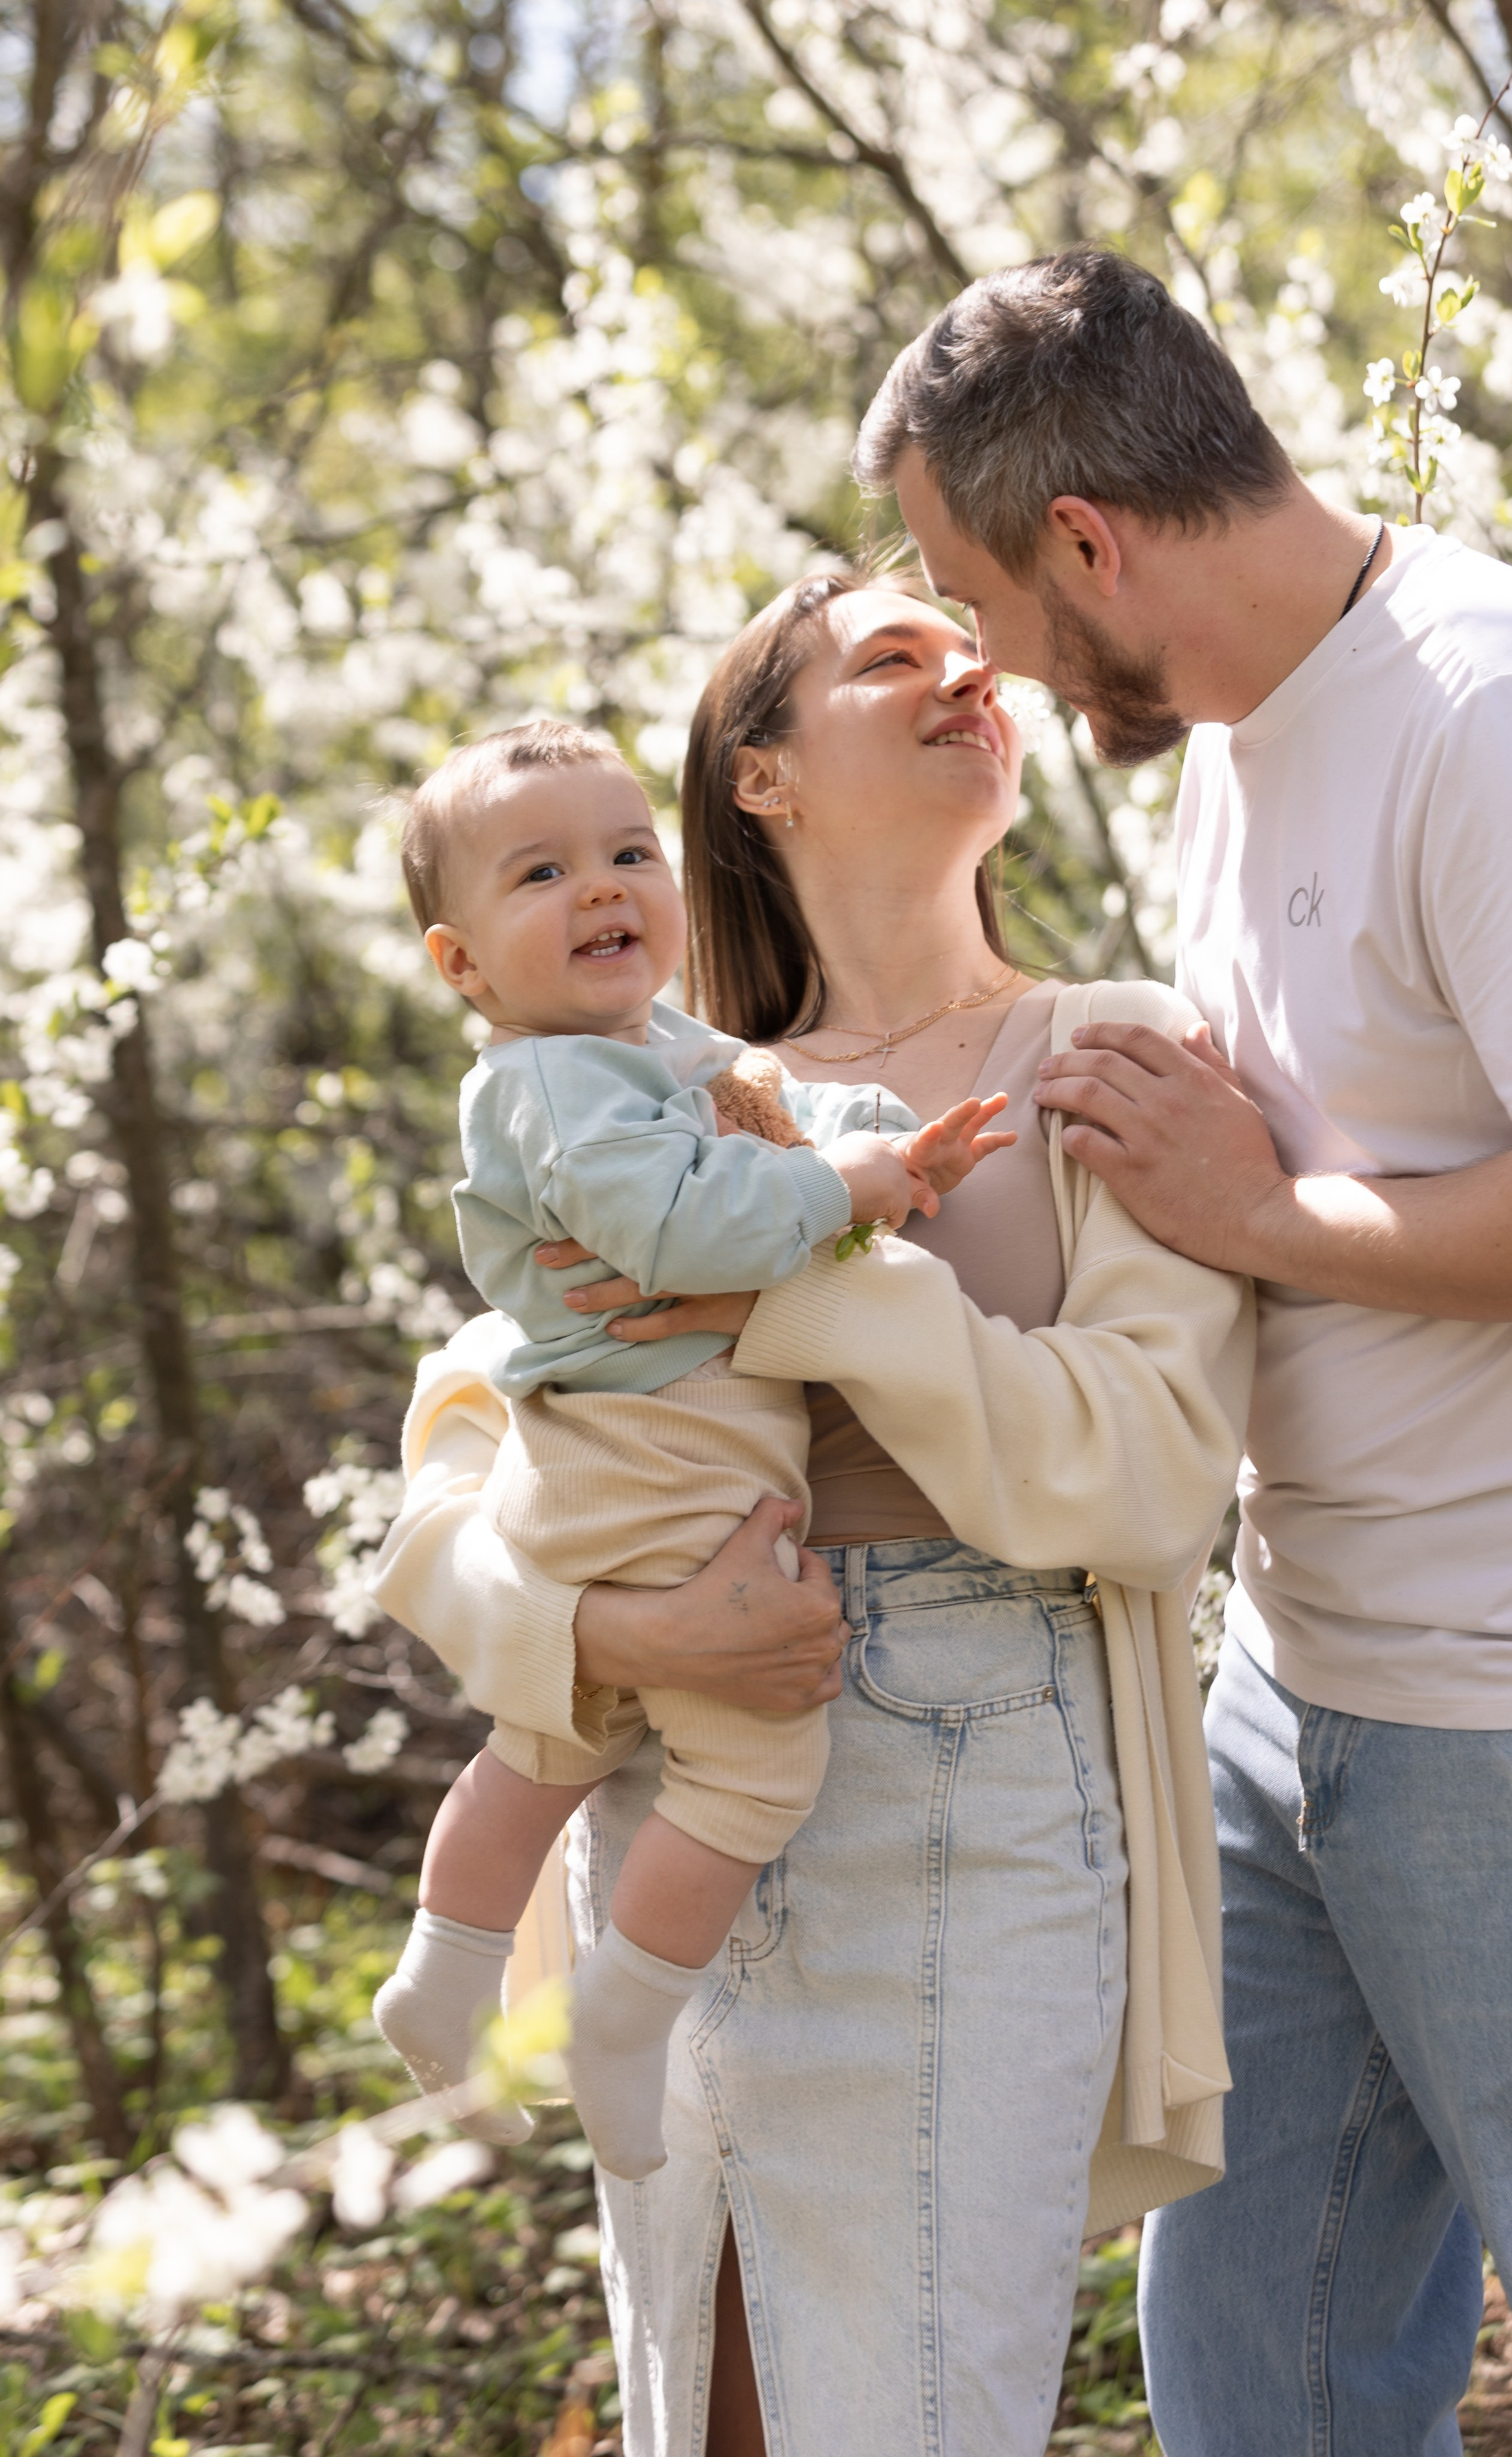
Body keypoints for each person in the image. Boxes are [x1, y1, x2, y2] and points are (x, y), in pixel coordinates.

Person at [858, 243, 1512, 2454]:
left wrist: (1253, 1212)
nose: (981, 654)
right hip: (1297, 1697)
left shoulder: (1501, 705)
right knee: (1253, 2374)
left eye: (974, 589)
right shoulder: (1237, 743)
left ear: (1089, 541)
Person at [369, 569, 1253, 2455]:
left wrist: (807, 1270)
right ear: (759, 775)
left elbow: (1157, 1473)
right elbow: (456, 1464)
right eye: (892, 657)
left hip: (977, 1775)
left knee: (920, 2405)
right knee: (714, 2397)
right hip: (667, 1775)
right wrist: (604, 1634)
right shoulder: (632, 1076)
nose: (967, 673)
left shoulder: (1107, 1046)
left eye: (974, 651)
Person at [371, 715, 1011, 2175]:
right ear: (461, 964)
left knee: (549, 1742)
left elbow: (776, 1110)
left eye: (624, 852)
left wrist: (882, 1141)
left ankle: (439, 1973)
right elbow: (675, 1226)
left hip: (629, 1451)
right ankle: (619, 2013)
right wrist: (845, 1186)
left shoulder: (652, 1045)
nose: (600, 887)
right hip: (660, 1448)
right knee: (752, 1773)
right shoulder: (545, 1086)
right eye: (539, 872)